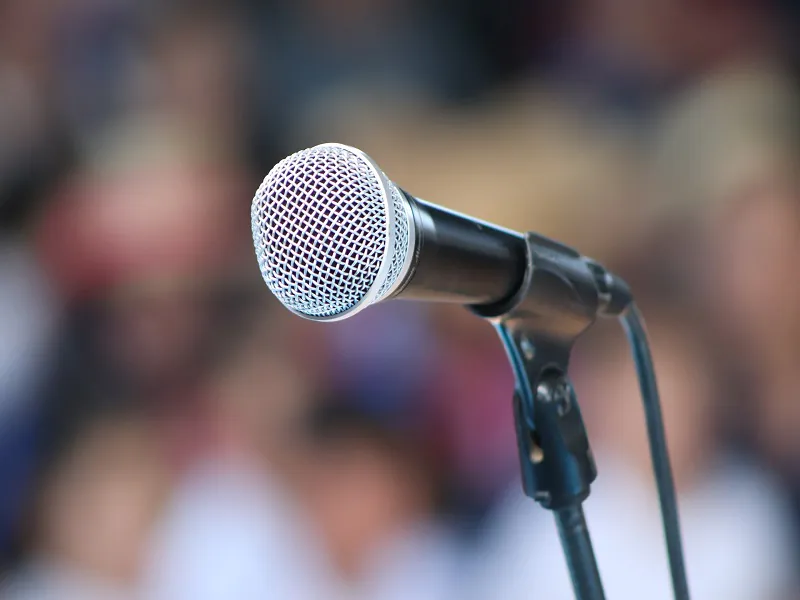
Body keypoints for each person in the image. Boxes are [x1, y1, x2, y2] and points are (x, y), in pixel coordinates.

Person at [471, 298, 798, 600]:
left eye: (681, 394)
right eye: (649, 396)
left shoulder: (751, 509)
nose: (669, 418)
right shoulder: (547, 516)